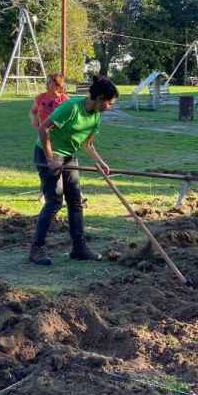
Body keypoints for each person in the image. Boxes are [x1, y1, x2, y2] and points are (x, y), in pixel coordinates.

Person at [29, 76, 119, 266]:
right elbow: (43, 129)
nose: (110, 107)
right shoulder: (72, 108)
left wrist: (100, 162)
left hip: (68, 156)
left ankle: (79, 248)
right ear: (100, 98)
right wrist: (50, 157)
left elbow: (87, 143)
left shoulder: (96, 115)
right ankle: (36, 249)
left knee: (75, 201)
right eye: (109, 103)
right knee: (54, 201)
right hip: (48, 153)